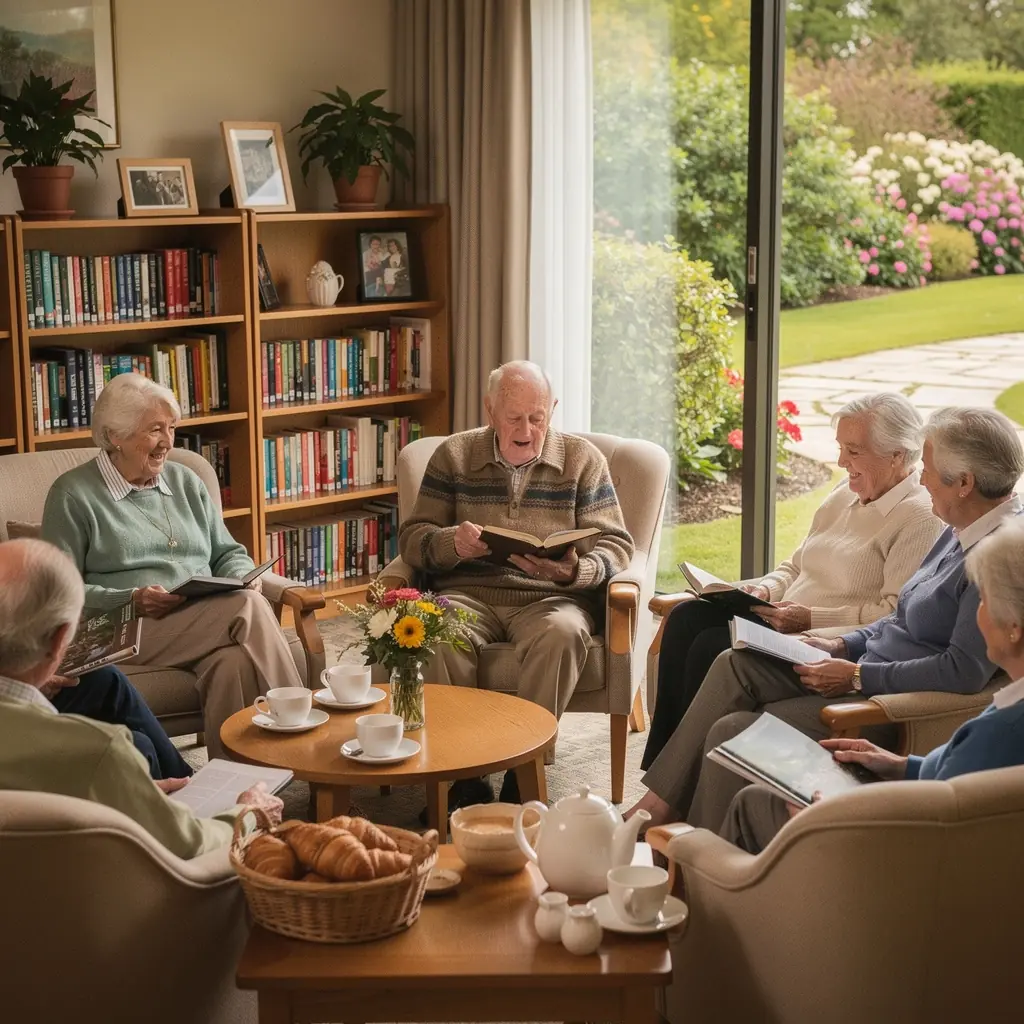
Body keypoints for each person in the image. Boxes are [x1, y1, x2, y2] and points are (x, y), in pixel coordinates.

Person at [629, 406, 1024, 831]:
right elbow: (899, 617)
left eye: (926, 469)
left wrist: (857, 675)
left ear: (964, 483)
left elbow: (962, 670)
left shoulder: (997, 556)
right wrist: (840, 645)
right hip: (859, 666)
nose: (922, 478)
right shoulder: (958, 527)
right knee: (734, 661)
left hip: (884, 700)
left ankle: (688, 850)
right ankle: (660, 810)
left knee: (733, 729)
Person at [643, 393, 941, 770]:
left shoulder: (919, 519)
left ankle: (688, 772)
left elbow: (892, 614)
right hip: (782, 621)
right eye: (840, 448)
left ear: (897, 455)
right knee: (687, 617)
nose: (841, 462)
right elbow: (797, 564)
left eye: (853, 451)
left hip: (818, 641)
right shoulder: (845, 493)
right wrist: (764, 589)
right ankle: (663, 769)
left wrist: (809, 617)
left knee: (712, 645)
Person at [398, 360, 635, 804]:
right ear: (490, 410)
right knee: (438, 632)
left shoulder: (583, 461)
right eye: (514, 418)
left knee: (564, 633)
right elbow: (412, 539)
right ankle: (465, 772)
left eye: (537, 417)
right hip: (468, 595)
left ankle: (525, 771)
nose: (527, 430)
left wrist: (574, 571)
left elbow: (618, 545)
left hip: (551, 600)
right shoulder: (454, 455)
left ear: (553, 409)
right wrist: (452, 543)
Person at [41, 372, 304, 759]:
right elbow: (57, 593)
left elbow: (228, 551)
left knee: (231, 662)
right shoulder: (72, 494)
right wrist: (131, 598)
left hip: (202, 615)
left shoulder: (185, 482)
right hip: (125, 628)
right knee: (247, 608)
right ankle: (305, 725)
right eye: (155, 430)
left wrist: (239, 577)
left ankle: (233, 784)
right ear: (115, 435)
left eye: (172, 428)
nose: (168, 441)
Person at [722, 516, 1024, 854]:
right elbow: (950, 782)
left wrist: (836, 812)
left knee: (752, 797)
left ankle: (698, 863)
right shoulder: (1005, 716)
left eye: (983, 602)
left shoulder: (998, 732)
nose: (974, 615)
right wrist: (899, 764)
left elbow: (931, 830)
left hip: (882, 858)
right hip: (904, 821)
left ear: (1013, 628)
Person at [0, 538, 282, 860]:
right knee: (248, 606)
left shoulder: (103, 753)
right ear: (61, 639)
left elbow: (229, 552)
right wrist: (246, 813)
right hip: (111, 885)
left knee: (138, 708)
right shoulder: (104, 751)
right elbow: (187, 846)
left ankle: (187, 790)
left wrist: (133, 790)